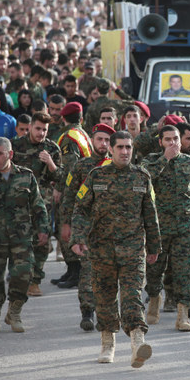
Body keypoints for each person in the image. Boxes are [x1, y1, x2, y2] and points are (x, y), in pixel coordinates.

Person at [71, 131, 161, 368]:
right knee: (105, 298)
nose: (124, 151)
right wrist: (78, 237)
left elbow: (150, 215)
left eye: (128, 147)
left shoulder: (142, 177)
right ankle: (107, 342)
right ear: (110, 149)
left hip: (133, 250)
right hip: (102, 250)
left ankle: (137, 343)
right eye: (120, 147)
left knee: (132, 297)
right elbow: (81, 209)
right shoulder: (96, 175)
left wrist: (154, 246)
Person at [0, 137, 49, 333]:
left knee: (23, 275)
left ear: (10, 154)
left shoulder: (26, 176)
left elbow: (38, 206)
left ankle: (14, 312)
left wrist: (43, 230)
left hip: (21, 238)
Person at [141, 125, 190, 332]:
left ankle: (182, 312)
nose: (173, 143)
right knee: (154, 268)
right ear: (160, 142)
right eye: (168, 139)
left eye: (176, 139)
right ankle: (153, 300)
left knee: (184, 270)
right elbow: (143, 181)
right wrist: (164, 160)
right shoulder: (150, 161)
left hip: (184, 227)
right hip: (158, 226)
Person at [60, 123, 115, 331]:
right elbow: (69, 196)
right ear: (92, 140)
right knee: (87, 272)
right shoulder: (82, 166)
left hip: (112, 229)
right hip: (86, 228)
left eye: (107, 140)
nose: (103, 144)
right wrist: (66, 224)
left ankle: (106, 312)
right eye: (99, 139)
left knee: (109, 273)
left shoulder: (117, 165)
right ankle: (87, 312)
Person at [11, 112, 63, 297]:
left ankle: (35, 281)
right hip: (18, 202)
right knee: (17, 241)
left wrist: (50, 163)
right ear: (30, 126)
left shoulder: (51, 148)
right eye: (38, 128)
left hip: (42, 202)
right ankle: (17, 277)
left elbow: (60, 178)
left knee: (41, 242)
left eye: (45, 130)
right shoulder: (15, 145)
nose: (41, 133)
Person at [52, 102, 92, 289]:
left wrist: (60, 188)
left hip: (73, 190)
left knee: (65, 227)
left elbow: (70, 167)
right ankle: (71, 270)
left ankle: (75, 271)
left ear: (63, 118)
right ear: (80, 118)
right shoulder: (82, 133)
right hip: (84, 188)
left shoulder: (68, 137)